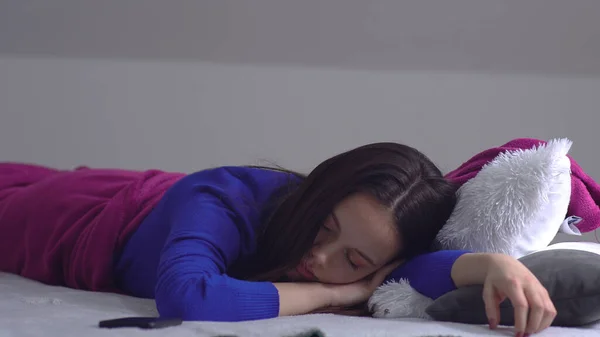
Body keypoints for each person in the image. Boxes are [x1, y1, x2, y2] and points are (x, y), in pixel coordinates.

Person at [0, 142, 555, 336]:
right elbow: (188, 297)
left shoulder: (380, 254)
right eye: (323, 227)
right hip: (66, 216)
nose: (318, 258)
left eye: (354, 259)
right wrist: (334, 294)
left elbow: (416, 274)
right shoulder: (220, 198)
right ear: (316, 194)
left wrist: (492, 265)